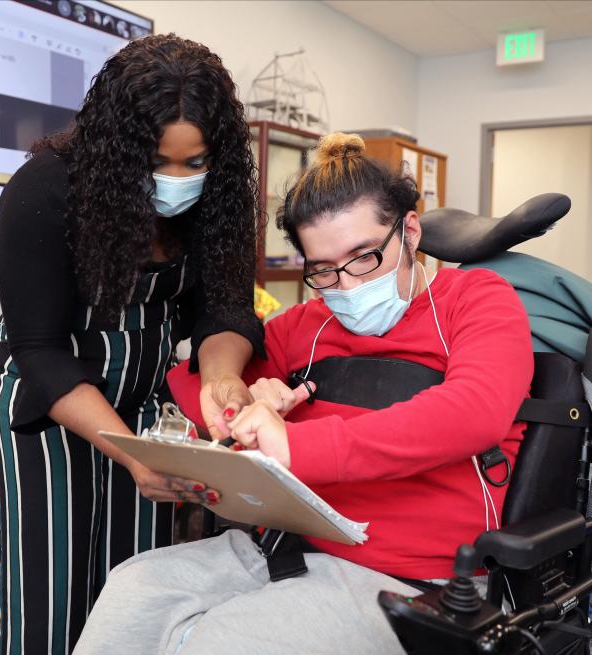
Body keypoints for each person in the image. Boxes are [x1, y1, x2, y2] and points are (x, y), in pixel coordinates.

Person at [73, 133, 534, 654]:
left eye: (363, 257)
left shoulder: (476, 301)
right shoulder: (308, 323)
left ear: (408, 232)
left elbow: (475, 412)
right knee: (133, 591)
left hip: (409, 574)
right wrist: (241, 403)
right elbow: (199, 387)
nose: (348, 286)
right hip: (285, 543)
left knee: (221, 643)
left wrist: (297, 445)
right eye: (323, 270)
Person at [0, 34, 264, 654]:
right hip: (49, 401)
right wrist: (135, 457)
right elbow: (41, 352)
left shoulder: (216, 201)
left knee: (135, 582)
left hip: (145, 398)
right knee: (54, 585)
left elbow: (224, 310)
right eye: (159, 161)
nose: (179, 179)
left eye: (196, 163)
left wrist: (220, 377)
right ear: (119, 149)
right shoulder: (45, 190)